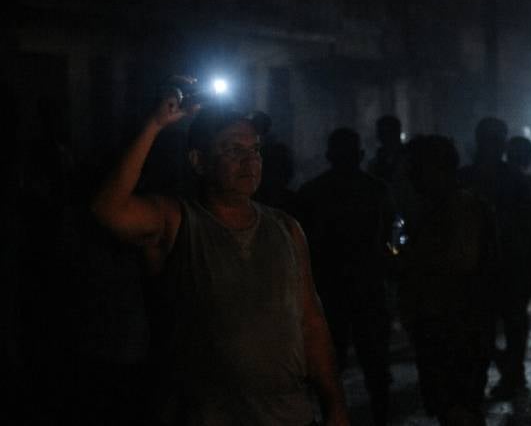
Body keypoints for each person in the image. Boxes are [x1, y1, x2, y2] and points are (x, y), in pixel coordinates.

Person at [89, 85, 349, 425]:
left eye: (255, 150)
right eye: (232, 150)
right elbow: (108, 210)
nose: (249, 161)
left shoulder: (287, 229)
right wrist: (154, 125)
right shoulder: (176, 221)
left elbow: (311, 321)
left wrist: (334, 405)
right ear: (198, 161)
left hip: (287, 415)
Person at [294, 128, 394, 425]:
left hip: (330, 288)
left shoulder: (313, 192)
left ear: (329, 155)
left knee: (329, 361)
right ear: (360, 155)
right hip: (365, 285)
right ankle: (379, 416)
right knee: (373, 362)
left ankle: (332, 416)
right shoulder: (376, 190)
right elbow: (388, 236)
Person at [402, 135, 497, 426]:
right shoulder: (430, 207)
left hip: (456, 323)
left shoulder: (460, 207)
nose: (411, 176)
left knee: (458, 406)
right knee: (451, 407)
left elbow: (463, 261)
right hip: (444, 321)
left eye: (416, 168)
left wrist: (412, 261)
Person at [458, 117, 529, 398]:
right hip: (480, 264)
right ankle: (500, 371)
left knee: (506, 324)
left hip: (505, 262)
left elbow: (526, 224)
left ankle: (508, 373)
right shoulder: (468, 177)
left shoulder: (510, 178)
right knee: (485, 326)